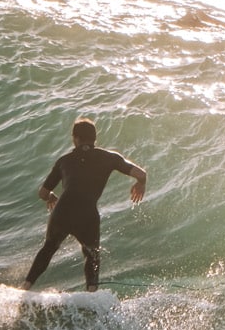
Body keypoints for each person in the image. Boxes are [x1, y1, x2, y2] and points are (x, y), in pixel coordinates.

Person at [23, 118, 147, 293]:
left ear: (75, 138)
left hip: (62, 211)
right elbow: (141, 173)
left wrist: (51, 197)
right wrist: (140, 184)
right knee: (92, 255)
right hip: (87, 214)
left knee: (48, 249)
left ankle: (25, 288)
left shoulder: (63, 161)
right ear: (95, 138)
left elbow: (43, 193)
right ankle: (91, 293)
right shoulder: (110, 157)